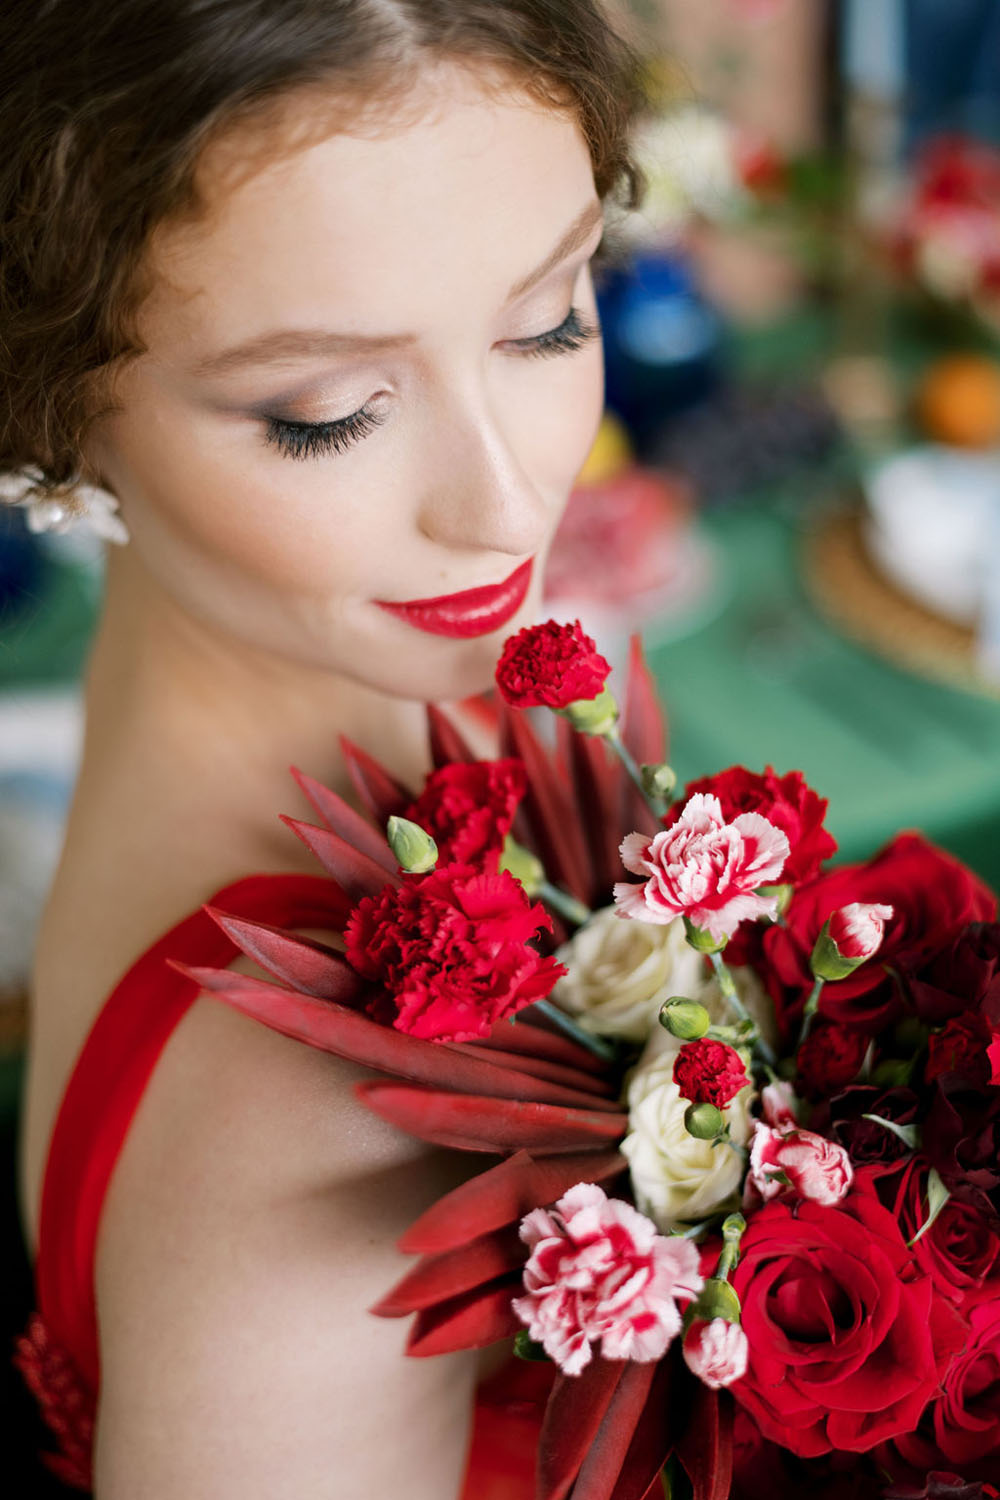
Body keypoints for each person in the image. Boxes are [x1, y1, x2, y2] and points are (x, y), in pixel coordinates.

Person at [1, 1, 643, 1495]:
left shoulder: (263, 640)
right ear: (48, 400)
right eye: (325, 416)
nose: (504, 504)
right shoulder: (315, 1135)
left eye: (549, 316)